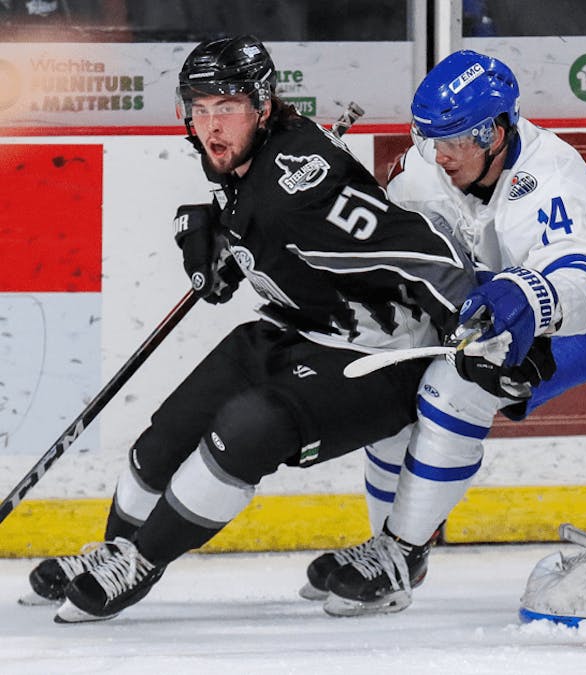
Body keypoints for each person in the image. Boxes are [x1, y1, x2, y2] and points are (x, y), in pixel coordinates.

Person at [20, 35, 477, 623]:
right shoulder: (246, 159)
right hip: (297, 328)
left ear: (262, 107)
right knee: (167, 435)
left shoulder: (298, 188)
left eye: (227, 108)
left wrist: (479, 318)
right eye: (200, 108)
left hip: (380, 358)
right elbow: (257, 217)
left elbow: (426, 254)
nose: (211, 124)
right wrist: (215, 231)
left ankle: (140, 562)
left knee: (250, 427)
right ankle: (114, 546)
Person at [300, 49, 586, 617]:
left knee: (459, 386)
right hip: (482, 291)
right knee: (389, 389)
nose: (439, 156)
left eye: (454, 141)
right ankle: (388, 553)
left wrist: (531, 296)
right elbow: (391, 253)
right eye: (431, 140)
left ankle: (401, 546)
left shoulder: (551, 175)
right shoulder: (426, 169)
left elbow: (585, 291)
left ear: (496, 133)